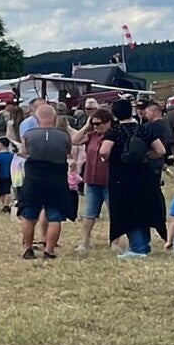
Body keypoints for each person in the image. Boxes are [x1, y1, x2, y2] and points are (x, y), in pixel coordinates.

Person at [102, 100, 168, 259]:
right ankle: (144, 244)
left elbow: (104, 151)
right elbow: (161, 150)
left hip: (122, 177)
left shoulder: (115, 131)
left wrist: (109, 159)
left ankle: (138, 248)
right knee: (143, 209)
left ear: (115, 114)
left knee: (128, 211)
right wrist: (146, 156)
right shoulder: (144, 130)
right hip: (144, 176)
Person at [16, 103, 75, 259]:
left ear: (37, 118)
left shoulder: (28, 135)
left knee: (29, 215)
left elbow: (24, 152)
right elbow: (67, 152)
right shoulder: (64, 136)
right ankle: (49, 251)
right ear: (54, 117)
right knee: (55, 216)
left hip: (34, 179)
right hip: (56, 179)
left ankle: (28, 249)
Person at [72, 107, 113, 254]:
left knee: (113, 212)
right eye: (93, 124)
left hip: (109, 180)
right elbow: (75, 140)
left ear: (108, 122)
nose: (96, 126)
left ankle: (114, 240)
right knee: (89, 213)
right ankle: (85, 241)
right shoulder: (91, 136)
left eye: (98, 123)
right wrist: (86, 126)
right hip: (92, 180)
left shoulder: (114, 136)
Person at [0, 138, 15, 213]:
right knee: (6, 191)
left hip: (1, 176)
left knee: (2, 192)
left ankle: (5, 206)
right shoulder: (12, 155)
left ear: (1, 145)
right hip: (9, 175)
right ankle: (6, 205)